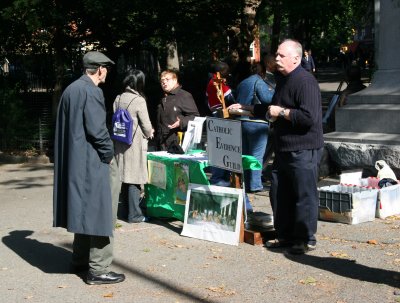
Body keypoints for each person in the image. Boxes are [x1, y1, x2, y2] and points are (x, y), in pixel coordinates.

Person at [228, 39, 324, 254]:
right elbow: (271, 107)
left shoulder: (305, 81)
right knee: (280, 193)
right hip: (283, 147)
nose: (276, 58)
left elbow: (309, 117)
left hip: (303, 147)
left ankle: (305, 239)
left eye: (281, 55)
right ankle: (286, 236)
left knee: (303, 194)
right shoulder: (283, 79)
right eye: (277, 55)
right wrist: (247, 108)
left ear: (296, 59)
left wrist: (281, 113)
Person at [53, 51, 125, 284]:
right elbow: (97, 130)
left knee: (84, 209)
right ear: (100, 69)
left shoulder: (71, 89)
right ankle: (99, 269)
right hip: (94, 162)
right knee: (103, 212)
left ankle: (80, 260)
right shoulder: (92, 91)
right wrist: (109, 156)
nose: (107, 73)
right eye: (106, 69)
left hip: (77, 162)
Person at [113, 69, 154, 223]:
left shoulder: (118, 98)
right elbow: (146, 125)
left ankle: (124, 211)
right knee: (134, 177)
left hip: (120, 141)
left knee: (124, 176)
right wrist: (150, 132)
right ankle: (135, 215)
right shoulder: (139, 100)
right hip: (134, 143)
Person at [235, 62, 274, 194]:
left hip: (241, 122)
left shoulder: (242, 83)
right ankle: (255, 185)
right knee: (257, 156)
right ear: (262, 73)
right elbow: (268, 99)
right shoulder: (260, 82)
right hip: (257, 123)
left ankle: (245, 183)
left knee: (245, 156)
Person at [206, 61, 235, 186]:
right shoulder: (219, 83)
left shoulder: (210, 83)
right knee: (224, 148)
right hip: (223, 117)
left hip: (214, 115)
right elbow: (230, 99)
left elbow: (207, 100)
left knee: (217, 147)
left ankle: (219, 176)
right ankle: (220, 178)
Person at [156, 69, 200, 151]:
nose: (164, 82)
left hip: (177, 142)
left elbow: (195, 116)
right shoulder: (162, 97)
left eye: (167, 80)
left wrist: (181, 122)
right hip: (161, 143)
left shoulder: (184, 95)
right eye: (162, 80)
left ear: (175, 80)